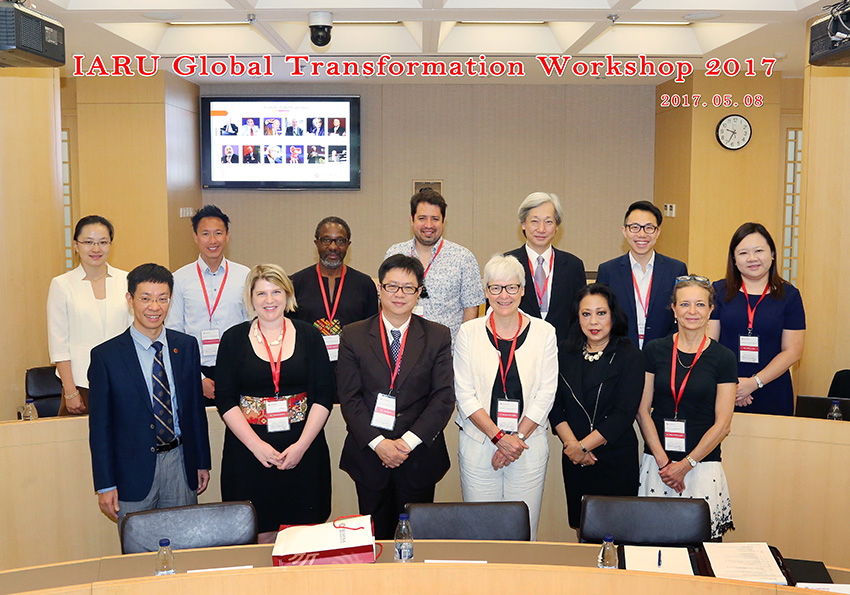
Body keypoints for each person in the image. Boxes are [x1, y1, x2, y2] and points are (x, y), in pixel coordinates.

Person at [337, 255, 455, 540]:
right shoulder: (354, 335)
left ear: (419, 292)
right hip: (370, 453)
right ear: (379, 288)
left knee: (416, 539)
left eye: (408, 288)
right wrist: (380, 445)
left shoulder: (437, 335)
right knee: (374, 540)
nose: (399, 294)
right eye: (392, 286)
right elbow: (349, 397)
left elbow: (442, 398)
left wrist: (405, 444)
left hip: (417, 455)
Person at [215, 264, 333, 543]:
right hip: (248, 452)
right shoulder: (232, 339)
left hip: (302, 449)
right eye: (261, 294)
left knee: (303, 538)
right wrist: (257, 447)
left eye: (276, 291)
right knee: (258, 533)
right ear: (251, 298)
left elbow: (324, 395)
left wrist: (301, 447)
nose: (269, 300)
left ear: (288, 295)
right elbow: (225, 400)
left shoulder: (310, 336)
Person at [89, 263, 212, 523]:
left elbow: (194, 412)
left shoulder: (186, 347)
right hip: (131, 472)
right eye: (145, 298)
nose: (154, 307)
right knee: (138, 553)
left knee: (185, 544)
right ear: (130, 300)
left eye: (162, 299)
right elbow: (100, 428)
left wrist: (201, 461)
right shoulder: (106, 356)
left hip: (180, 464)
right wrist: (105, 484)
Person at [453, 255, 557, 540]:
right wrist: (499, 438)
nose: (504, 295)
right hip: (479, 445)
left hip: (527, 446)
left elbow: (547, 392)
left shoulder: (544, 333)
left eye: (511, 287)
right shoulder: (468, 332)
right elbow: (464, 393)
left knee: (522, 531)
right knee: (481, 531)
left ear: (523, 290)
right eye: (495, 288)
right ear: (486, 291)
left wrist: (516, 440)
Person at [636, 276, 737, 539]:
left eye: (700, 305)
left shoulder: (723, 357)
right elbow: (642, 410)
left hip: (702, 465)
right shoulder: (654, 350)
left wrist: (686, 464)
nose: (692, 312)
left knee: (701, 547)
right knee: (652, 542)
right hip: (658, 464)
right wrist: (664, 461)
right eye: (684, 304)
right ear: (673, 309)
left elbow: (723, 423)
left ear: (710, 310)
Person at [549, 283, 644, 530]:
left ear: (613, 315)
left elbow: (624, 413)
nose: (594, 321)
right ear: (577, 318)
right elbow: (554, 405)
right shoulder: (564, 352)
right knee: (583, 529)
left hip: (615, 457)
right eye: (586, 314)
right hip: (574, 457)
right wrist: (572, 447)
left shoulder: (629, 355)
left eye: (601, 313)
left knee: (617, 532)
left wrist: (583, 446)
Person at [708, 223, 805, 416]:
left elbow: (793, 351)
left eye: (759, 250)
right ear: (734, 259)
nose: (752, 259)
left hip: (773, 388)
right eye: (743, 253)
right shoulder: (719, 291)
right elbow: (709, 344)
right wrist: (734, 385)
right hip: (725, 388)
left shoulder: (790, 296)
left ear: (772, 254)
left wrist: (754, 383)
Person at [47, 215, 131, 415]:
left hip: (124, 380)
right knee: (79, 443)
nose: (96, 249)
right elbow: (59, 343)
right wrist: (70, 391)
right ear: (76, 245)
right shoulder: (62, 284)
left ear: (111, 244)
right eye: (89, 242)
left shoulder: (127, 279)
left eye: (103, 242)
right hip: (80, 384)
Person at [166, 205, 250, 401]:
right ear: (195, 237)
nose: (212, 241)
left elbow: (252, 325)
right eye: (205, 234)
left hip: (237, 369)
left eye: (218, 233)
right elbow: (174, 332)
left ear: (227, 235)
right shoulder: (179, 279)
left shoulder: (244, 276)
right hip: (195, 370)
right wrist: (198, 377)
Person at [385, 189, 485, 344]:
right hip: (402, 348)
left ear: (444, 220)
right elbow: (386, 301)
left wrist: (462, 348)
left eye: (435, 219)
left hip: (447, 353)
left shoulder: (463, 258)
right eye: (422, 218)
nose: (428, 225)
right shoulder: (395, 253)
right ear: (412, 219)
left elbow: (471, 309)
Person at [597, 200, 688, 349]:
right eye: (635, 227)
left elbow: (681, 316)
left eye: (649, 228)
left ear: (658, 232)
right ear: (624, 231)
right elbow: (602, 317)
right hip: (619, 353)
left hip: (664, 353)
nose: (642, 234)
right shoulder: (608, 270)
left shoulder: (676, 270)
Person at [290, 216, 378, 367]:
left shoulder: (364, 284)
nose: (333, 247)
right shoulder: (295, 283)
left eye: (340, 241)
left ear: (348, 245)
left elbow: (372, 334)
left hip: (352, 368)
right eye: (326, 240)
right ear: (316, 243)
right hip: (308, 367)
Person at [505, 192, 585, 343]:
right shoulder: (506, 264)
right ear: (523, 223)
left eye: (548, 222)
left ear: (556, 226)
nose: (541, 229)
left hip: (563, 352)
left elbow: (580, 315)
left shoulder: (574, 266)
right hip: (517, 349)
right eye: (534, 221)